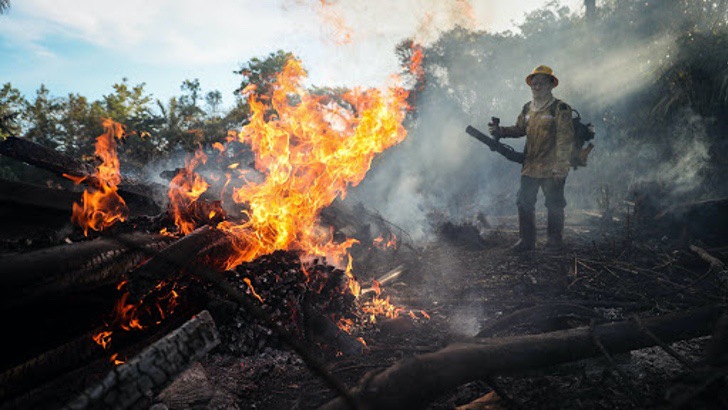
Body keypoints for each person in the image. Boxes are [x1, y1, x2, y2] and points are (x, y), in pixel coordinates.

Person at [488, 65, 574, 251]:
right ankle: (526, 241)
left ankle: (554, 241)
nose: (536, 87)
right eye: (533, 84)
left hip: (552, 167)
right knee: (524, 202)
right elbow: (520, 129)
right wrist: (500, 131)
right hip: (530, 166)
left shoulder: (560, 108)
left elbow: (565, 139)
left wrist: (562, 165)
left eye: (541, 83)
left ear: (551, 85)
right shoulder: (528, 108)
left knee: (554, 203)